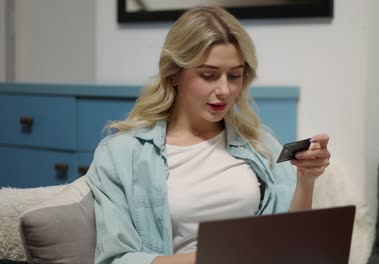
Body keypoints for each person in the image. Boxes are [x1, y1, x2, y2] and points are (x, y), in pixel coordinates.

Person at [85, 6, 331, 264]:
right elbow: (116, 259)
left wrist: (306, 180)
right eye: (208, 75)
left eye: (234, 75)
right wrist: (218, 256)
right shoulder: (121, 154)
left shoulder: (259, 144)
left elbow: (292, 242)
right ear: (174, 74)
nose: (224, 89)